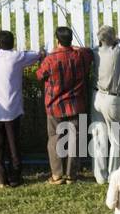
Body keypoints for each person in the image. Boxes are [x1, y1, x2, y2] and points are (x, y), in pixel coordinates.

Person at [38, 26, 92, 185]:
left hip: (55, 106)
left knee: (55, 138)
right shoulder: (80, 56)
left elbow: (40, 76)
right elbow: (89, 52)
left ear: (57, 40)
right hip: (76, 104)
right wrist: (75, 47)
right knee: (75, 139)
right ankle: (71, 174)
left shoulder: (50, 59)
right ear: (71, 40)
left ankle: (57, 174)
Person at [0, 30, 40, 187]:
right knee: (14, 145)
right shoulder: (18, 57)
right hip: (12, 110)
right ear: (13, 43)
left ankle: (1, 179)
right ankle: (15, 177)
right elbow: (36, 55)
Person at [90, 27, 120, 185]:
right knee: (116, 138)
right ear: (113, 38)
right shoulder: (118, 52)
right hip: (112, 98)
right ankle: (113, 174)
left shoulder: (95, 51)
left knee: (99, 136)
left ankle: (100, 175)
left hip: (96, 96)